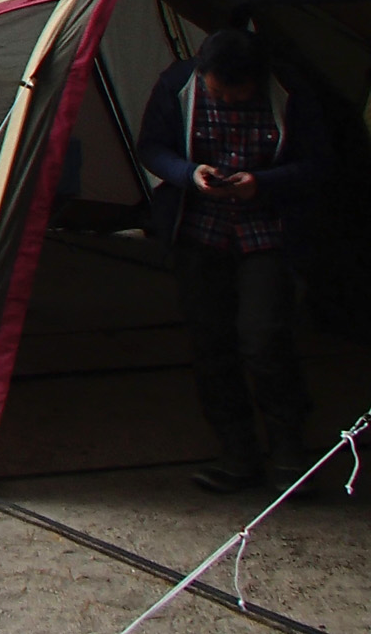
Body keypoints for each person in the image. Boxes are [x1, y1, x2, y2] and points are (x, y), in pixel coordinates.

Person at [137, 27, 329, 494]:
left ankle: (290, 454)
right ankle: (238, 455)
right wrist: (190, 173)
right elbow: (151, 148)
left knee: (263, 339)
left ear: (256, 82)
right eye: (213, 86)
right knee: (211, 344)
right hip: (199, 232)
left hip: (266, 234)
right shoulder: (178, 86)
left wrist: (262, 183)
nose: (220, 95)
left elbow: (318, 165)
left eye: (231, 90)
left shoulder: (291, 96)